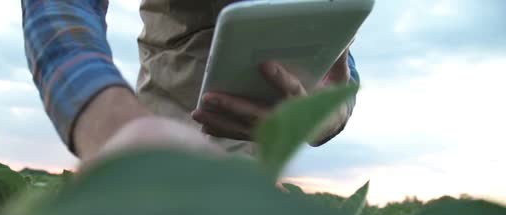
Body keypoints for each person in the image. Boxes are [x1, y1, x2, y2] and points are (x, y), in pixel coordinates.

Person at [21, 0, 360, 163]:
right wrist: (111, 126)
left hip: (258, 170)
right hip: (161, 142)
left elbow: (333, 47)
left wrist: (328, 112)